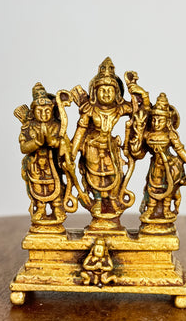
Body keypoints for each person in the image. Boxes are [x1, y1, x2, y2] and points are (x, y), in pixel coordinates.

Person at [71, 58, 134, 221]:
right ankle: (98, 201)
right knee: (95, 175)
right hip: (91, 146)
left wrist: (133, 88)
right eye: (102, 90)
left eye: (110, 90)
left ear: (117, 93)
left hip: (110, 147)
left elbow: (138, 110)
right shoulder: (90, 109)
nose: (106, 94)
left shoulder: (119, 108)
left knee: (115, 173)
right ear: (94, 92)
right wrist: (72, 151)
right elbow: (80, 130)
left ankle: (112, 200)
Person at [129, 92, 186, 225]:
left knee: (168, 188)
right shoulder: (149, 134)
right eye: (154, 120)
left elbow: (180, 150)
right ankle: (151, 209)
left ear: (168, 121)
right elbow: (138, 152)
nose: (156, 123)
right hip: (155, 166)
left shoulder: (170, 135)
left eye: (160, 120)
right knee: (152, 186)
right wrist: (138, 131)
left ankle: (165, 209)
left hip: (169, 166)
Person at [16, 83, 67, 225]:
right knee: (37, 187)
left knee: (55, 185)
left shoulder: (56, 126)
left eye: (47, 111)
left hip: (52, 163)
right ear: (33, 112)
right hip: (35, 163)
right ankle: (40, 208)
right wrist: (36, 142)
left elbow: (63, 143)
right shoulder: (28, 128)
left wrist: (53, 141)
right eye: (40, 111)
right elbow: (23, 148)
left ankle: (57, 207)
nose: (44, 115)